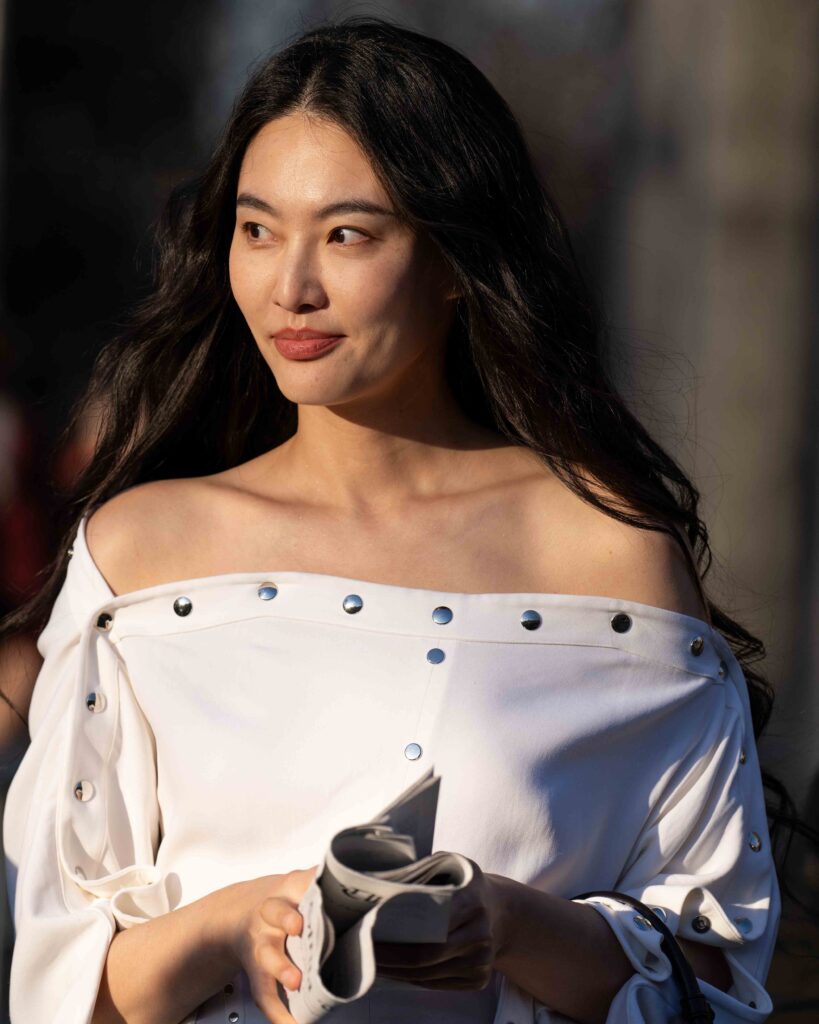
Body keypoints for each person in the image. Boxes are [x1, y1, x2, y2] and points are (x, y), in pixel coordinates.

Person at [1, 16, 781, 1024]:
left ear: (455, 258)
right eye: (257, 227)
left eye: (348, 234)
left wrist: (510, 925)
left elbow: (719, 980)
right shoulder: (140, 552)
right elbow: (55, 986)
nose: (292, 286)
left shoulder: (606, 550)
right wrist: (228, 926)